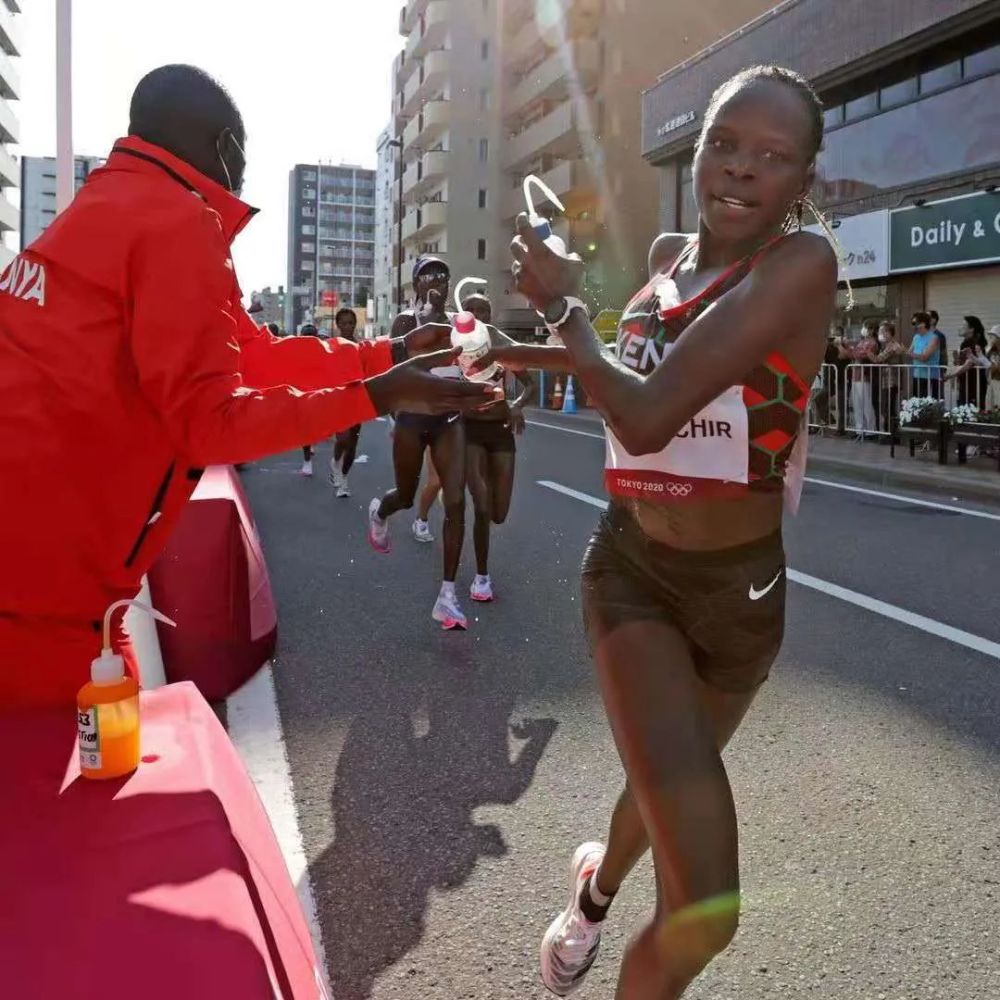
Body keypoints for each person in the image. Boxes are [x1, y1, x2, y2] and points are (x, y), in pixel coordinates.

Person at [496, 64, 837, 998]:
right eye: (723, 145)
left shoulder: (802, 264)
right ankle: (602, 903)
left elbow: (643, 412)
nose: (737, 172)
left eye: (771, 157)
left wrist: (565, 310)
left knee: (663, 793)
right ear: (697, 151)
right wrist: (493, 354)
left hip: (742, 598)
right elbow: (618, 373)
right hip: (634, 572)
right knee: (709, 905)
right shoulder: (665, 259)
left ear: (804, 180)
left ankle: (593, 892)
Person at [0, 64, 491, 708]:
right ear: (226, 149)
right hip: (44, 594)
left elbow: (250, 355)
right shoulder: (178, 222)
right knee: (64, 782)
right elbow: (210, 423)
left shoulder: (108, 207)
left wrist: (387, 354)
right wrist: (382, 395)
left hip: (40, 565)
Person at [368, 256, 472, 630]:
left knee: (456, 500)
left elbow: (470, 364)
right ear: (415, 284)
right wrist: (394, 416)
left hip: (448, 420)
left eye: (443, 276)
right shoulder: (405, 322)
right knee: (407, 496)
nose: (437, 282)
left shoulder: (461, 323)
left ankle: (447, 597)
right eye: (429, 276)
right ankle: (381, 511)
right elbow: (392, 374)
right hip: (412, 417)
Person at [413, 289, 536, 600]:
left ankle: (481, 565)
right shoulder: (452, 349)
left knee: (497, 513)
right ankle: (482, 578)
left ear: (490, 318)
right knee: (480, 503)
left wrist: (517, 405)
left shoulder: (499, 346)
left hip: (500, 431)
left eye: (484, 311)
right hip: (467, 431)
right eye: (471, 310)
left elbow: (529, 384)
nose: (478, 316)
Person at [330, 307, 363, 498]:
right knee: (342, 439)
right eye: (344, 323)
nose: (347, 326)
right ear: (338, 325)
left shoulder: (361, 347)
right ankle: (335, 462)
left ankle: (343, 480)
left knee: (352, 445)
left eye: (351, 323)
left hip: (357, 399)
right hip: (338, 398)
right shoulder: (332, 346)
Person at [840, 319, 878, 438]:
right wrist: (848, 348)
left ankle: (870, 430)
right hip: (855, 376)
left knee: (866, 403)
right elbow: (853, 353)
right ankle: (859, 430)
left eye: (867, 327)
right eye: (864, 327)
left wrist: (849, 348)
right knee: (857, 404)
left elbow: (858, 355)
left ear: (872, 330)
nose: (865, 330)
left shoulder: (873, 343)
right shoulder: (861, 342)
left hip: (865, 376)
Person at [947, 315, 989, 408]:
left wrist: (951, 375)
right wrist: (956, 359)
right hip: (965, 383)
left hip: (974, 385)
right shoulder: (965, 343)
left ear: (971, 329)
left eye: (963, 326)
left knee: (973, 411)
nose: (960, 328)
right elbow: (961, 363)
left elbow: (969, 363)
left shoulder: (976, 343)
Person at [299, 322, 323, 476]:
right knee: (306, 428)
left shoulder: (322, 353)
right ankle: (307, 461)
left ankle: (308, 456)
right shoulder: (295, 353)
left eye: (311, 337)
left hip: (318, 394)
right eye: (305, 337)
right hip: (302, 395)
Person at [874, 320, 906, 433]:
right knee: (887, 407)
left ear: (888, 333)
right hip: (887, 380)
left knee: (888, 407)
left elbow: (878, 359)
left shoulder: (893, 346)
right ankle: (890, 431)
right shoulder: (887, 345)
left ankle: (891, 433)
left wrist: (867, 353)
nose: (880, 334)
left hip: (892, 380)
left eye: (882, 331)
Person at [909, 310, 941, 399]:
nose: (914, 325)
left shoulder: (934, 338)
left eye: (915, 323)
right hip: (917, 374)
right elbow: (909, 352)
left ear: (923, 323)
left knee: (928, 404)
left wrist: (912, 354)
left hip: (930, 376)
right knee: (917, 402)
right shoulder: (916, 337)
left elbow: (925, 357)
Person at [986, 325, 1000, 413]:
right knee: (989, 402)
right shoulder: (991, 350)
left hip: (998, 380)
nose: (990, 338)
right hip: (991, 380)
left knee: (998, 403)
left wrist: (995, 367)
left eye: (992, 335)